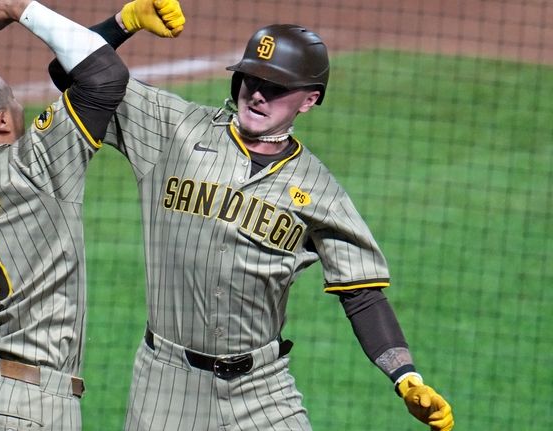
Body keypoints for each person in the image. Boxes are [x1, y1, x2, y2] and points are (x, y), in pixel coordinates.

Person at [49, 18, 454, 431]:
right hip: (163, 386)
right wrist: (123, 23)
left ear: (309, 99)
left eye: (276, 88)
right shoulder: (174, 130)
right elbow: (70, 73)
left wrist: (406, 378)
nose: (258, 95)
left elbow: (363, 293)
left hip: (262, 390)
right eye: (250, 79)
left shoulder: (318, 188)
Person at [0, 1, 182, 430]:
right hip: (21, 405)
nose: (22, 110)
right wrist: (19, 7)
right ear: (1, 121)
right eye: (14, 101)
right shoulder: (35, 165)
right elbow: (101, 77)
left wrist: (124, 24)